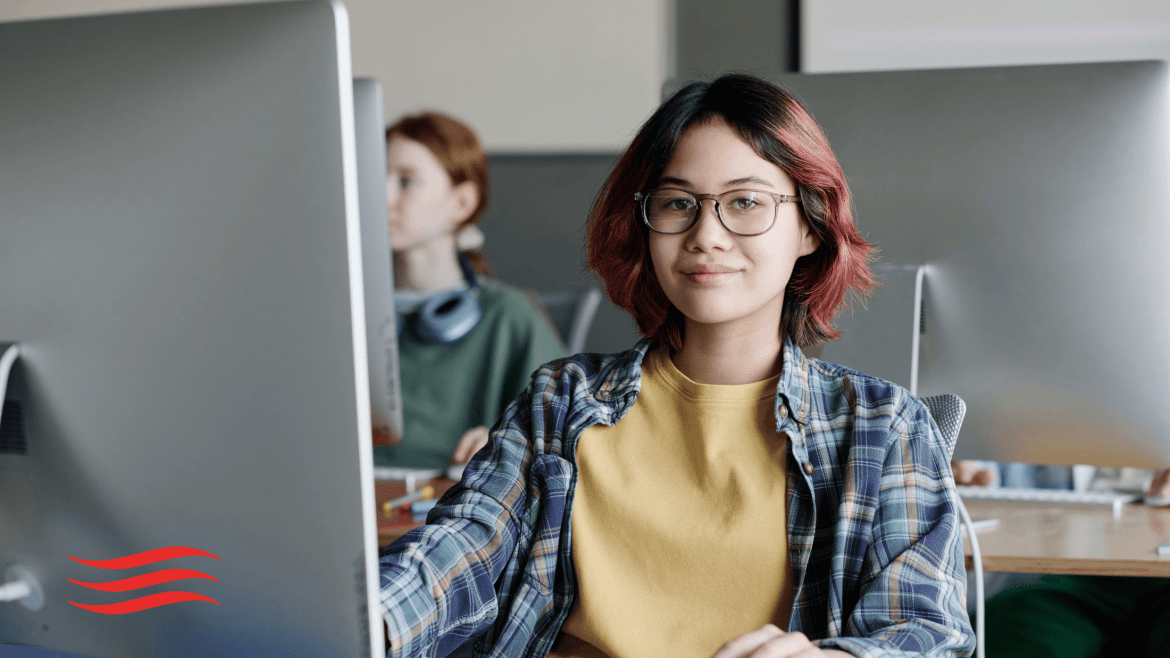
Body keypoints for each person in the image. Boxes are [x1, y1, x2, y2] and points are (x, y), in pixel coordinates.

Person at [378, 75, 975, 657]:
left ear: (810, 226)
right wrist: (370, 621)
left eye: (745, 202)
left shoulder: (883, 426)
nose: (706, 234)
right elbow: (457, 551)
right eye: (676, 203)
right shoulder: (561, 400)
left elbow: (927, 632)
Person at [380, 112, 565, 470]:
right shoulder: (343, 315)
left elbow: (561, 434)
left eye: (405, 181)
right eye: (376, 179)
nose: (383, 196)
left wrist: (513, 442)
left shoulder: (510, 315)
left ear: (461, 203)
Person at [953, 461, 1170, 657]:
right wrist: (968, 471)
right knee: (1011, 641)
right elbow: (992, 464)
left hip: (1162, 573)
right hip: (1061, 576)